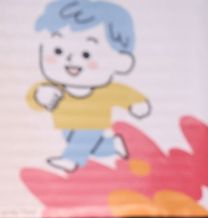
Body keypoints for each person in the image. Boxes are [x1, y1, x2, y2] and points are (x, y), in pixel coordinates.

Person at [27, 0, 151, 172]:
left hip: (94, 121)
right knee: (90, 146)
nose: (70, 59)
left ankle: (70, 159)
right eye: (58, 51)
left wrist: (136, 104)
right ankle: (113, 145)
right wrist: (40, 96)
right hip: (66, 124)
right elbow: (33, 99)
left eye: (86, 54)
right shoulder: (54, 88)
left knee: (85, 136)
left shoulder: (107, 90)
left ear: (121, 62)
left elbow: (124, 95)